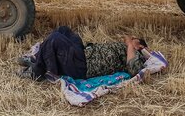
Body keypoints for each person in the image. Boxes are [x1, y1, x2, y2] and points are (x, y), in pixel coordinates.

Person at [17, 26, 150, 81]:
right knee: (64, 30)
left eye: (135, 40)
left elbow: (134, 70)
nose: (131, 40)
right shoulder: (128, 48)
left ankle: (38, 71)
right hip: (83, 52)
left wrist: (131, 44)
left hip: (84, 66)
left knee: (55, 39)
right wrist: (129, 42)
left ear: (141, 46)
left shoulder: (137, 55)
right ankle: (38, 58)